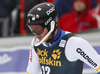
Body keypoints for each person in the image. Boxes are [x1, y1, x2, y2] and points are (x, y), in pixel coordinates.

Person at [26, 2, 100, 74]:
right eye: (31, 29)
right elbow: (31, 72)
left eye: (37, 28)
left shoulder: (74, 43)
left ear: (51, 25)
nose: (34, 33)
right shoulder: (36, 43)